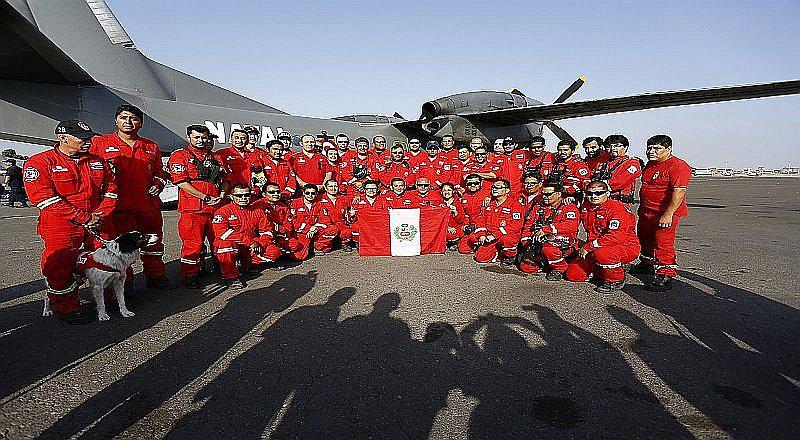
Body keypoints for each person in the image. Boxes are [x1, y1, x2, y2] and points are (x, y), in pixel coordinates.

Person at [24, 120, 117, 324]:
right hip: (61, 225)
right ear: (62, 138)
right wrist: (85, 217)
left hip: (97, 222)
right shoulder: (39, 163)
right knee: (60, 266)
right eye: (82, 138)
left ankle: (108, 298)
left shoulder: (97, 162)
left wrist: (99, 215)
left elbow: (112, 190)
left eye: (89, 137)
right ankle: (66, 306)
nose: (87, 141)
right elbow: (44, 199)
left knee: (109, 259)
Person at [90, 105, 176, 289]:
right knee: (121, 246)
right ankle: (125, 283)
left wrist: (158, 183)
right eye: (123, 117)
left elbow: (160, 171)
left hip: (147, 205)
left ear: (141, 123)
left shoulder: (150, 146)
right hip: (118, 207)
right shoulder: (100, 143)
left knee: (153, 241)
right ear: (116, 120)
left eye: (134, 118)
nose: (128, 122)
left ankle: (156, 275)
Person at [168, 125, 230, 288]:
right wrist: (205, 197)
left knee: (219, 240)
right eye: (197, 138)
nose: (201, 141)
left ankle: (222, 268)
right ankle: (190, 274)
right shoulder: (180, 155)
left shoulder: (216, 157)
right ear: (189, 138)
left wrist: (222, 195)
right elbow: (181, 182)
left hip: (216, 207)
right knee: (193, 243)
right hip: (193, 208)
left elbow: (225, 179)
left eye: (204, 138)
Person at [632, 134, 691, 292]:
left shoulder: (678, 166)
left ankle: (665, 274)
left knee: (662, 243)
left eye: (657, 148)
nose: (651, 151)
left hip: (664, 213)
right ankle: (647, 264)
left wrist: (668, 214)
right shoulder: (650, 165)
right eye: (649, 148)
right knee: (644, 238)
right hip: (647, 211)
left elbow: (679, 192)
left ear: (669, 149)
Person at [565, 180, 640, 293]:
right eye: (590, 193)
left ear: (607, 193)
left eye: (599, 193)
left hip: (622, 246)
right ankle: (605, 269)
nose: (594, 196)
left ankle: (616, 279)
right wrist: (571, 200)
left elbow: (616, 236)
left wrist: (588, 247)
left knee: (603, 254)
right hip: (595, 246)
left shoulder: (616, 209)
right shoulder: (586, 206)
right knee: (574, 275)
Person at [212, 184, 273, 288]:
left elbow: (267, 231)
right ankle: (230, 277)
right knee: (225, 245)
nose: (243, 198)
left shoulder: (257, 210)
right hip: (233, 245)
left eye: (247, 195)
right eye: (239, 196)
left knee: (273, 251)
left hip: (250, 245)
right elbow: (222, 233)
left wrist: (260, 243)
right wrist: (249, 241)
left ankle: (247, 265)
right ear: (231, 196)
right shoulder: (223, 211)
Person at [518, 181, 580, 278]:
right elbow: (528, 225)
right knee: (527, 267)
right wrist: (526, 241)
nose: (544, 197)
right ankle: (545, 262)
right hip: (539, 242)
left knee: (549, 249)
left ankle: (559, 268)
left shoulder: (568, 207)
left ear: (558, 194)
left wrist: (547, 229)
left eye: (548, 194)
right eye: (543, 194)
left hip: (562, 243)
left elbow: (571, 225)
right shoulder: (538, 207)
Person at [458, 179, 525, 264]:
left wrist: (495, 235)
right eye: (493, 187)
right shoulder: (489, 203)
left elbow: (516, 225)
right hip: (489, 235)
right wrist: (481, 234)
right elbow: (480, 220)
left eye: (498, 187)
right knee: (476, 253)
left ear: (507, 190)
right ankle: (491, 249)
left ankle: (509, 256)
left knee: (507, 240)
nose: (494, 189)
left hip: (504, 235)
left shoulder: (515, 204)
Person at [252, 182, 305, 262]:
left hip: (278, 235)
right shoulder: (257, 205)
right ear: (264, 194)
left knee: (295, 245)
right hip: (262, 237)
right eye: (272, 192)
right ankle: (251, 261)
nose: (276, 194)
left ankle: (280, 252)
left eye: (278, 192)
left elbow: (288, 226)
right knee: (274, 252)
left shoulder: (283, 206)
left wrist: (281, 233)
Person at [217, 128, 269, 196]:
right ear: (230, 139)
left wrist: (256, 189)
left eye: (243, 138)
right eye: (236, 138)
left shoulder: (254, 155)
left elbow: (260, 175)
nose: (239, 141)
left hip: (250, 194)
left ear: (247, 141)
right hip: (231, 195)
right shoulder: (221, 154)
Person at [596, 134, 642, 205]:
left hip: (619, 203)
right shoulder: (602, 164)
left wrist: (597, 186)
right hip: (601, 202)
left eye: (617, 146)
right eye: (608, 146)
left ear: (625, 147)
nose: (613, 149)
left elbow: (620, 181)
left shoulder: (632, 163)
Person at [290, 184, 328, 259]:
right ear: (303, 193)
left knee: (333, 229)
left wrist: (316, 227)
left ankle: (316, 246)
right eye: (307, 193)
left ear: (316, 194)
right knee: (299, 257)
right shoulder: (294, 203)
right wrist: (308, 229)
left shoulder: (319, 204)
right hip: (301, 232)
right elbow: (293, 222)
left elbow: (325, 219)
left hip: (314, 231)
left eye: (313, 193)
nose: (310, 195)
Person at [317, 179, 354, 252]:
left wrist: (357, 197)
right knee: (325, 249)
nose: (333, 188)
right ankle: (319, 245)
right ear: (326, 188)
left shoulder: (344, 198)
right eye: (330, 186)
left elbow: (356, 201)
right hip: (326, 225)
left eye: (335, 186)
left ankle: (344, 243)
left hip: (340, 223)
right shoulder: (319, 198)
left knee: (347, 231)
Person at [347, 179, 381, 245]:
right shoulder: (357, 200)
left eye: (373, 188)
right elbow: (351, 218)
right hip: (363, 224)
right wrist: (352, 215)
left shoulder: (383, 200)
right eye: (368, 188)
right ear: (364, 190)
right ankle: (359, 244)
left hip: (377, 223)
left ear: (377, 189)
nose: (371, 190)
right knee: (355, 226)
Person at [439, 182, 467, 249]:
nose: (446, 192)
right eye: (444, 190)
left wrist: (455, 212)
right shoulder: (439, 203)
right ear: (441, 192)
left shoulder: (457, 203)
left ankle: (456, 241)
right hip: (443, 228)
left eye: (449, 190)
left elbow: (461, 220)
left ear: (453, 191)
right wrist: (447, 227)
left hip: (455, 228)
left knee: (453, 234)